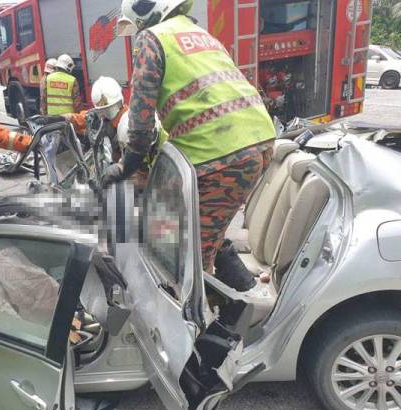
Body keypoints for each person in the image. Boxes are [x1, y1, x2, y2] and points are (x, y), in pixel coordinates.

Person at [104, 0, 276, 278]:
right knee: (205, 230)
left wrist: (125, 167)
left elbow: (141, 120)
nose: (138, 32)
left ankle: (205, 318)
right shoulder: (198, 33)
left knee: (188, 257)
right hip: (258, 139)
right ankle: (243, 291)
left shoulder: (151, 38)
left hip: (220, 153)